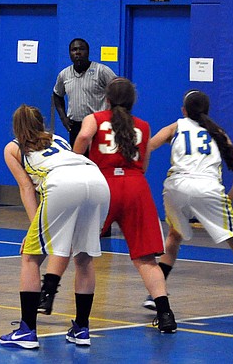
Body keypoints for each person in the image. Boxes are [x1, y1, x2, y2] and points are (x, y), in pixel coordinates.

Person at [148, 90, 233, 327]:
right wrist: (229, 200)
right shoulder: (218, 133)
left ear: (184, 110)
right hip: (208, 188)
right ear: (207, 111)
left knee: (174, 236)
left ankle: (156, 294)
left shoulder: (175, 127)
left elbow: (147, 147)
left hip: (176, 187)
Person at [0, 105, 110, 349]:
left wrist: (33, 233)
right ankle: (81, 329)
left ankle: (27, 330)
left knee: (30, 257)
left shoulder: (13, 148)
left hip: (62, 183)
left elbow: (27, 188)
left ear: (16, 127)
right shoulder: (58, 139)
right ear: (41, 122)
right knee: (84, 256)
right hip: (96, 180)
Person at [73, 77, 177, 333]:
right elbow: (144, 164)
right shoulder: (143, 125)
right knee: (146, 258)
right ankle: (165, 315)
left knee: (84, 255)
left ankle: (80, 322)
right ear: (133, 101)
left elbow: (85, 136)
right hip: (135, 186)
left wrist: (76, 162)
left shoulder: (95, 119)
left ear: (106, 99)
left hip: (103, 184)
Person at [52, 38, 116, 147]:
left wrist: (113, 116)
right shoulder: (64, 74)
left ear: (88, 52)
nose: (77, 52)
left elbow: (118, 92)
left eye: (81, 49)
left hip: (99, 125)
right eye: (74, 50)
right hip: (76, 126)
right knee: (79, 160)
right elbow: (57, 95)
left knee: (97, 161)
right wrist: (63, 118)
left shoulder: (102, 71)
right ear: (69, 53)